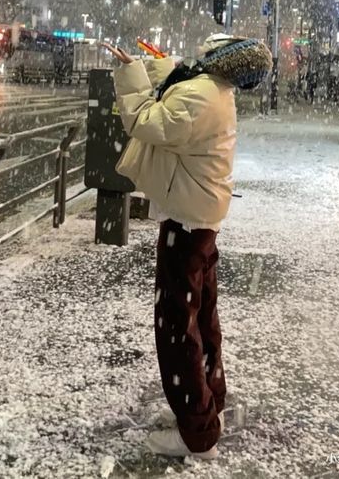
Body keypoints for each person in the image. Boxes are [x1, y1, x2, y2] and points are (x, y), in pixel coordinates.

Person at [104, 33, 272, 461]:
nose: (204, 49)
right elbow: (179, 85)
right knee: (201, 313)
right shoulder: (213, 89)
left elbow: (144, 120)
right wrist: (155, 65)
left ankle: (197, 432)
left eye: (213, 46)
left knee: (177, 325)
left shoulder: (201, 95)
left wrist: (128, 74)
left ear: (221, 57)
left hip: (188, 220)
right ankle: (207, 399)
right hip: (202, 215)